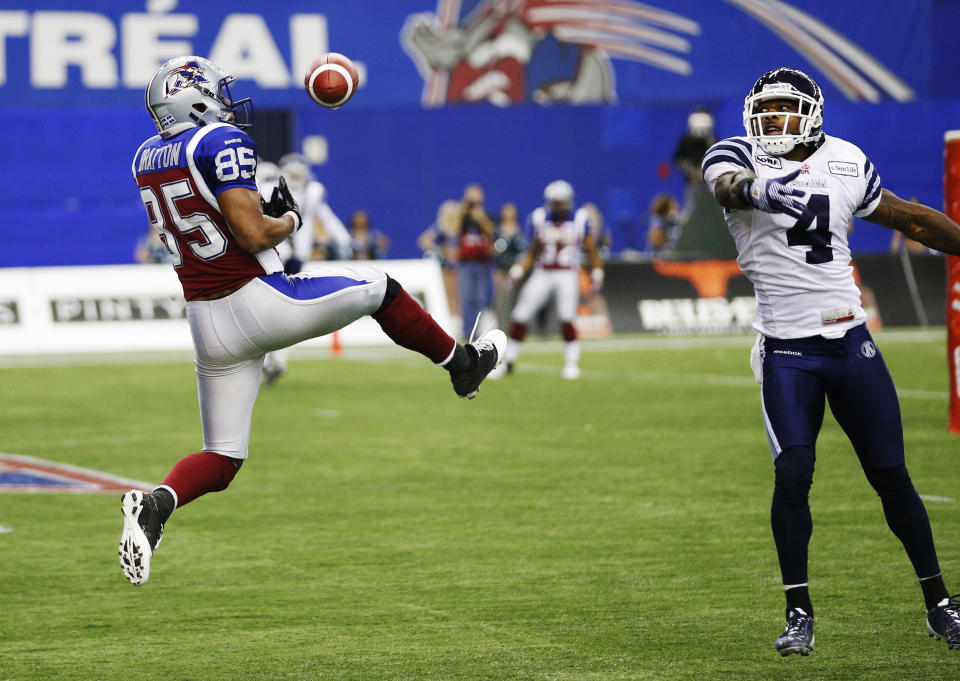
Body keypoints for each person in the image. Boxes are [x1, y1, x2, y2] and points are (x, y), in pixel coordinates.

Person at [120, 56, 506, 586]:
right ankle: (462, 364)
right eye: (218, 92)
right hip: (257, 298)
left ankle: (156, 504)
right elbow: (254, 235)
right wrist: (292, 218)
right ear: (195, 97)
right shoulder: (217, 142)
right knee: (381, 288)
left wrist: (266, 210)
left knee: (223, 457)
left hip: (205, 321)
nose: (228, 102)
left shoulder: (145, 156)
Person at [702, 66, 960, 655]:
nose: (771, 121)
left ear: (813, 114)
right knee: (793, 473)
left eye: (783, 110)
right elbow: (726, 186)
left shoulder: (845, 159)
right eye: (763, 111)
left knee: (892, 476)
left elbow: (912, 219)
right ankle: (799, 612)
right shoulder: (734, 153)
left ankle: (940, 605)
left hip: (851, 345)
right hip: (786, 350)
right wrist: (759, 190)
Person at [498, 180, 603, 380]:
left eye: (562, 202)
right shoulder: (539, 218)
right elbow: (532, 252)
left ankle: (572, 363)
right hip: (543, 272)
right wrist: (518, 270)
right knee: (521, 314)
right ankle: (509, 361)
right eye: (555, 203)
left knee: (566, 317)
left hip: (567, 273)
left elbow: (590, 249)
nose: (559, 207)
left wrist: (597, 271)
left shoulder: (580, 218)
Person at [454, 183, 497, 339]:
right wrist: (465, 208)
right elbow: (453, 228)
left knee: (480, 298)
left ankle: (476, 331)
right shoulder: (463, 215)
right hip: (466, 262)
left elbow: (492, 231)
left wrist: (481, 217)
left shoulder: (486, 215)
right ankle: (466, 331)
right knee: (466, 298)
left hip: (482, 262)